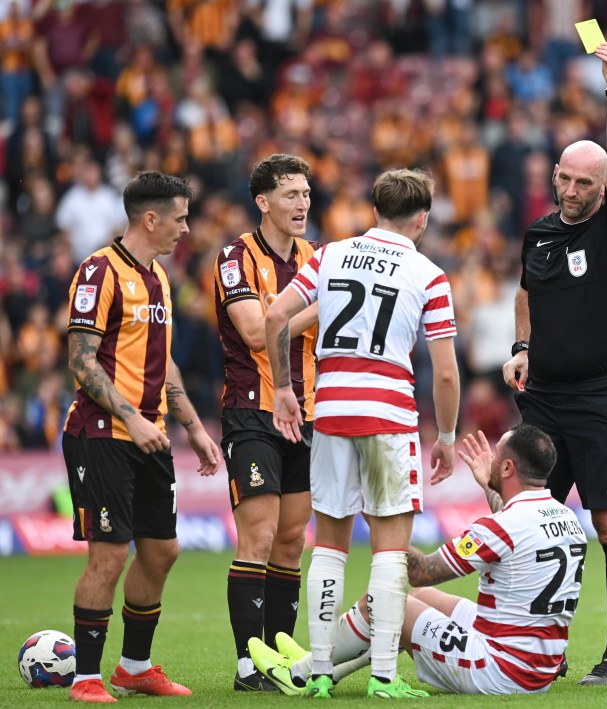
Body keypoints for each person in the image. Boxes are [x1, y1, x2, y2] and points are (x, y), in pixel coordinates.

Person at [262, 168, 461, 698]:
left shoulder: (329, 254)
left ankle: (321, 668)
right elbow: (444, 371)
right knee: (390, 550)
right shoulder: (429, 274)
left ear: (375, 212)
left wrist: (284, 388)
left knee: (328, 543)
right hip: (388, 416)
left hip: (331, 411)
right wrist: (447, 435)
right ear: (422, 218)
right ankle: (381, 676)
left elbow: (277, 316)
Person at [501, 41, 607, 685]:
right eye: (566, 177)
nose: (574, 189)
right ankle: (539, 653)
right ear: (554, 174)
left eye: (586, 181)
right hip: (543, 401)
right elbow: (525, 292)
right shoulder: (538, 232)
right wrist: (521, 348)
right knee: (528, 522)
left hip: (600, 397)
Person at [248, 423, 586, 696]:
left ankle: (299, 673)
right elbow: (513, 529)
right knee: (421, 601)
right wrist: (490, 487)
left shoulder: (499, 530)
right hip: (537, 666)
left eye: (496, 457)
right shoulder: (566, 518)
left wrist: (380, 517)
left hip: (499, 672)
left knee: (385, 600)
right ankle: (323, 665)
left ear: (508, 467)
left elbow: (422, 572)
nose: (491, 462)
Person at [62, 171, 222, 703]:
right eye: (179, 217)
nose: (186, 227)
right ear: (150, 218)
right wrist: (131, 416)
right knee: (108, 555)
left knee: (162, 551)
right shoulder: (98, 272)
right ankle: (85, 677)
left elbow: (163, 361)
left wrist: (194, 427)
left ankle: (134, 668)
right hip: (102, 433)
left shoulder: (158, 278)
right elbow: (81, 361)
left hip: (148, 435)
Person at [212, 153, 320, 691]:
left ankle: (281, 654)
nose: (302, 204)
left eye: (305, 194)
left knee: (292, 538)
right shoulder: (235, 258)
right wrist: (314, 310)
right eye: (291, 195)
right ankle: (245, 665)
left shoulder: (316, 257)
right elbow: (257, 333)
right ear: (263, 202)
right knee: (257, 534)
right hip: (252, 409)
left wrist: (294, 315)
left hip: (310, 411)